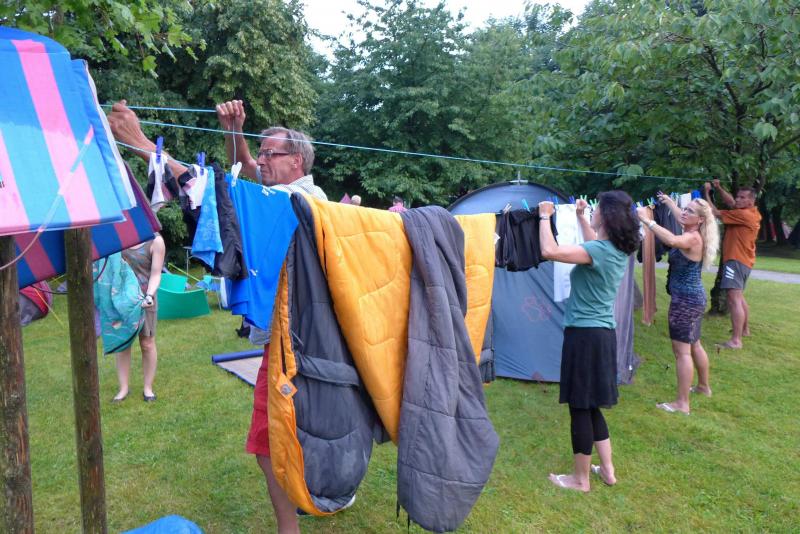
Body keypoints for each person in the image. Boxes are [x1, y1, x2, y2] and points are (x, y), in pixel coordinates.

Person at [538, 192, 640, 492]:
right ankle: (607, 471)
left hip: (584, 336)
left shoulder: (599, 250)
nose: (592, 210)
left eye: (596, 209)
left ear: (606, 217)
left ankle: (580, 479)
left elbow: (549, 251)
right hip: (602, 335)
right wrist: (582, 217)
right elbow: (593, 242)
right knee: (592, 404)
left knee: (580, 406)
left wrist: (544, 216)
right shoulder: (613, 248)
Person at [637, 195, 719, 414]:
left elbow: (672, 241)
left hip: (685, 302)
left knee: (682, 352)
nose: (684, 212)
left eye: (690, 211)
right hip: (694, 299)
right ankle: (703, 387)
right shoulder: (694, 231)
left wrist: (647, 221)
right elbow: (680, 217)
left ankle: (682, 403)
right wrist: (669, 202)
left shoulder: (692, 238)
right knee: (695, 344)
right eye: (685, 208)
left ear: (700, 220)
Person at [704, 179, 761, 349]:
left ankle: (736, 341)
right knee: (739, 297)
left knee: (733, 298)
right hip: (744, 261)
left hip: (735, 260)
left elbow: (714, 212)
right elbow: (730, 202)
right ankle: (744, 330)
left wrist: (707, 192)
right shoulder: (752, 211)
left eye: (742, 197)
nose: (737, 199)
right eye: (738, 196)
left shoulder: (743, 215)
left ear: (751, 200)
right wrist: (719, 188)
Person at [113, 235, 166, 402]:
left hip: (146, 298)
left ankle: (148, 388)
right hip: (122, 300)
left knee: (147, 343)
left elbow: (156, 274)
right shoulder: (120, 238)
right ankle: (123, 389)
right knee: (123, 344)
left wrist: (149, 295)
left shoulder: (155, 241)